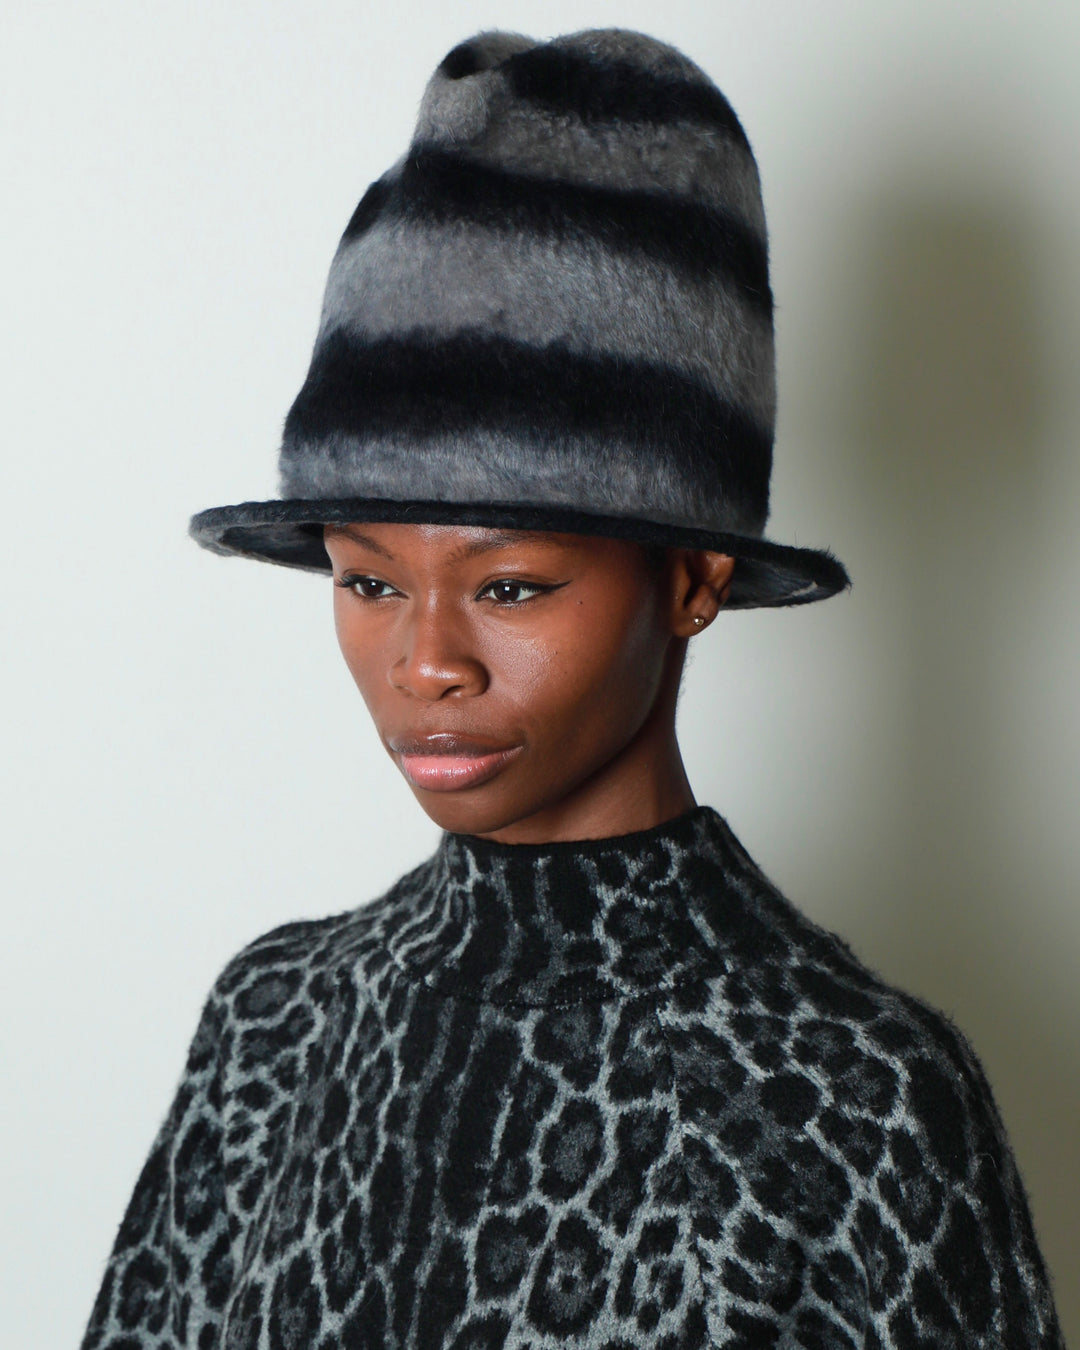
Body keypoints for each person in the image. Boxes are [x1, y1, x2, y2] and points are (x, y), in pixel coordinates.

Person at [81, 27, 1063, 1350]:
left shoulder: (858, 1098)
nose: (426, 660)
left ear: (694, 580)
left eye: (510, 585)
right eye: (367, 579)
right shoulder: (277, 1023)